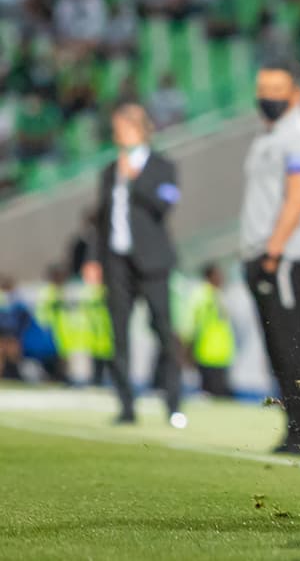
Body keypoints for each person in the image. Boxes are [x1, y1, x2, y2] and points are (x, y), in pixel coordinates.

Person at [240, 57, 300, 457]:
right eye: (263, 92)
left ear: (296, 92)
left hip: (284, 255)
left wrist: (274, 249)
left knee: (290, 342)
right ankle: (294, 428)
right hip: (265, 254)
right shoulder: (269, 135)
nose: (268, 99)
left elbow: (299, 192)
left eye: (276, 92)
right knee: (277, 344)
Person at [82, 103, 184, 427]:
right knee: (119, 335)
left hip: (152, 262)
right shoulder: (109, 171)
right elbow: (100, 222)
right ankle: (126, 404)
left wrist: (135, 180)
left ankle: (172, 402)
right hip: (117, 262)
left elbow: (164, 205)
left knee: (164, 332)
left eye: (122, 128)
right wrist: (94, 260)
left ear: (140, 129)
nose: (117, 135)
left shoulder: (162, 167)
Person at [181, 262, 235, 397]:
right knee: (211, 394)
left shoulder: (219, 294)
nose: (221, 278)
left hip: (221, 355)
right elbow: (190, 322)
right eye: (218, 275)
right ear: (209, 276)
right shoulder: (201, 294)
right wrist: (187, 347)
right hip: (206, 353)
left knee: (221, 395)